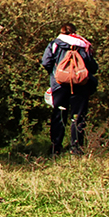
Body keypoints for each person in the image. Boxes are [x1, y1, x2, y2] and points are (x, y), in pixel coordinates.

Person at [41, 22, 97, 156]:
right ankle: (76, 148)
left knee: (59, 115)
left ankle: (56, 147)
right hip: (80, 86)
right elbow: (93, 67)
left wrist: (54, 74)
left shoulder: (55, 44)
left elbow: (45, 62)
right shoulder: (83, 45)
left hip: (59, 85)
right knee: (78, 117)